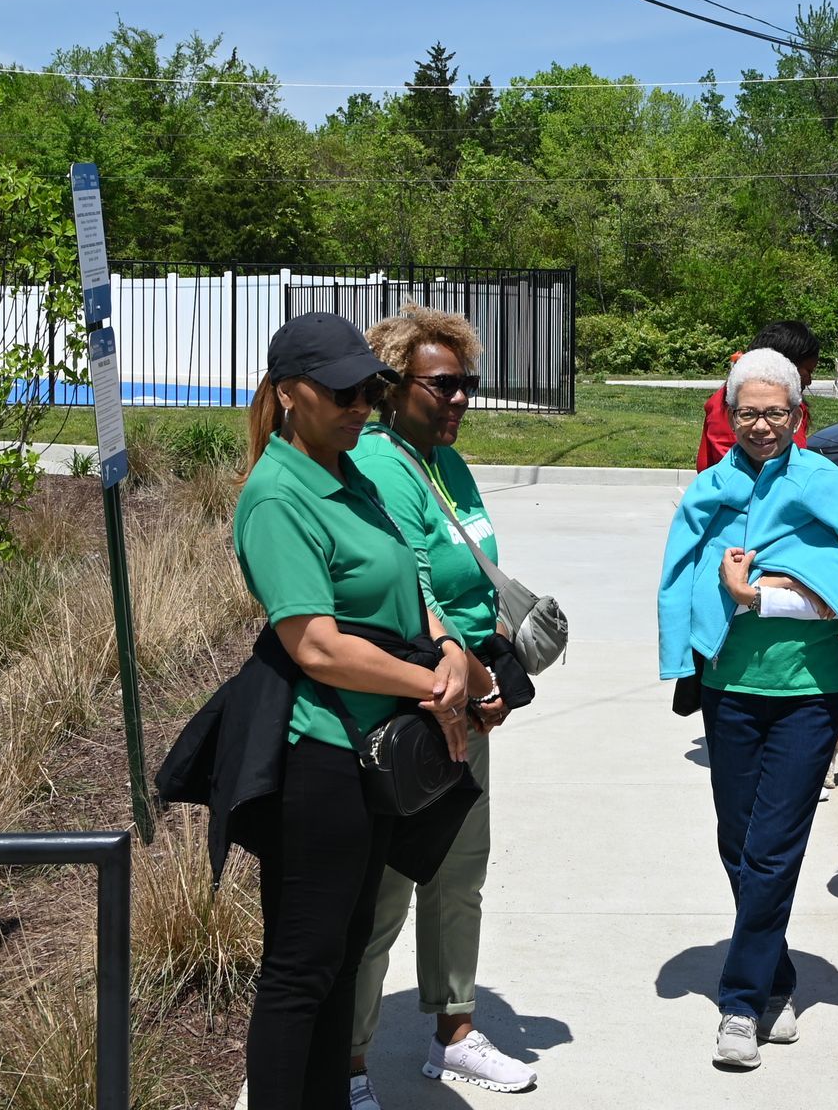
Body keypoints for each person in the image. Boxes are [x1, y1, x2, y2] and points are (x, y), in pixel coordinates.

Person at [231, 313, 475, 1109]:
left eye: (368, 390)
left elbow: (409, 581)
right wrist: (431, 684)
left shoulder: (351, 472)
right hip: (321, 757)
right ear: (288, 394)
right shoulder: (278, 496)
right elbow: (316, 646)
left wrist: (448, 647)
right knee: (302, 969)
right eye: (341, 393)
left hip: (372, 750)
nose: (360, 406)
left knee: (341, 957)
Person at [658, 348, 838, 1070]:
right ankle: (778, 978)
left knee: (771, 849)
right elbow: (680, 573)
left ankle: (739, 1002)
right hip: (729, 690)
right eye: (747, 413)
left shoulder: (828, 484)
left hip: (806, 696)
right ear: (729, 416)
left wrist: (757, 594)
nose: (761, 425)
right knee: (737, 845)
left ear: (798, 415)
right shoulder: (711, 487)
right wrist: (686, 649)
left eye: (775, 413)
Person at [344, 304, 536, 1098]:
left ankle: (454, 1031)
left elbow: (473, 575)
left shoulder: (446, 462)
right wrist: (462, 681)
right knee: (384, 895)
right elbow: (410, 591)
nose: (459, 399)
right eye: (443, 385)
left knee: (459, 878)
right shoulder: (382, 464)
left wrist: (494, 662)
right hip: (409, 713)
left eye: (468, 385)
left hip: (467, 703)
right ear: (393, 387)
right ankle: (348, 1064)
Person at [697, 320, 819, 470]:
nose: (809, 380)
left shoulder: (721, 400)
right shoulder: (730, 405)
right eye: (808, 370)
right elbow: (792, 469)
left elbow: (704, 464)